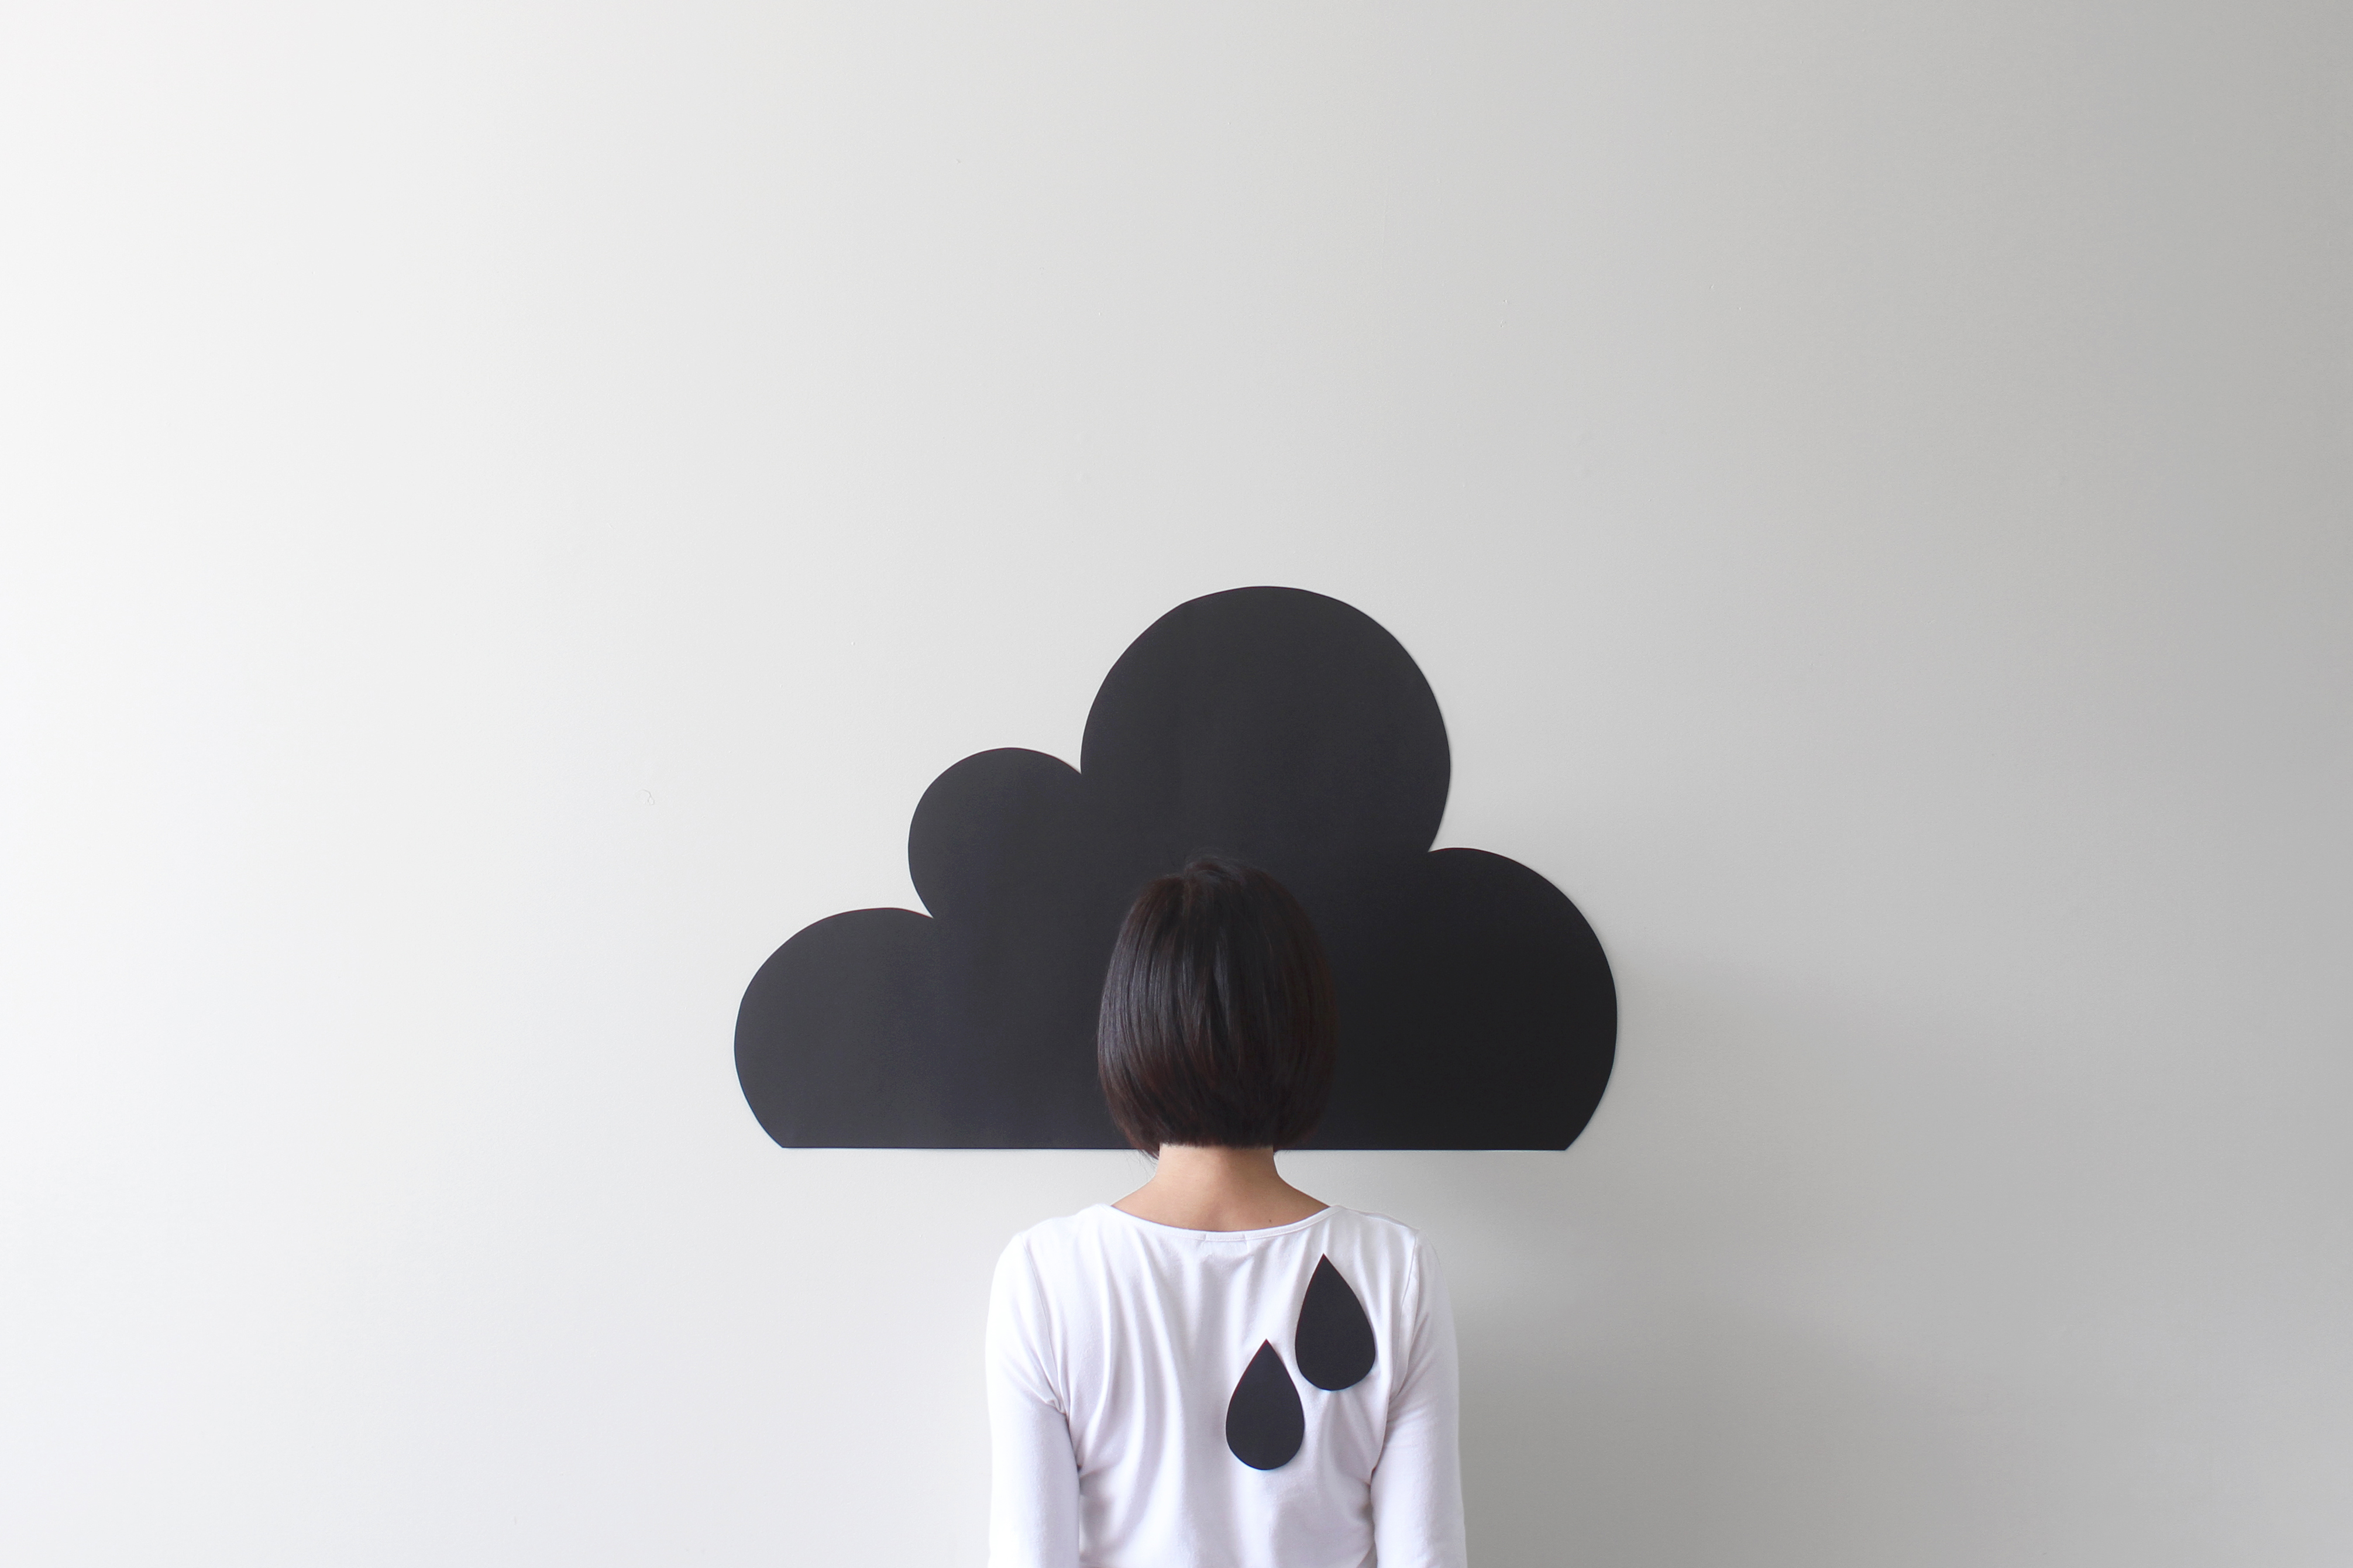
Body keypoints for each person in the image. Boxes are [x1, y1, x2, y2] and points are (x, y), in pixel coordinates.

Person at [986, 857, 1467, 1568]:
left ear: (1129, 1031)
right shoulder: (1391, 1270)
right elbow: (1425, 1556)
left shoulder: (1046, 1274)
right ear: (1303, 1032)